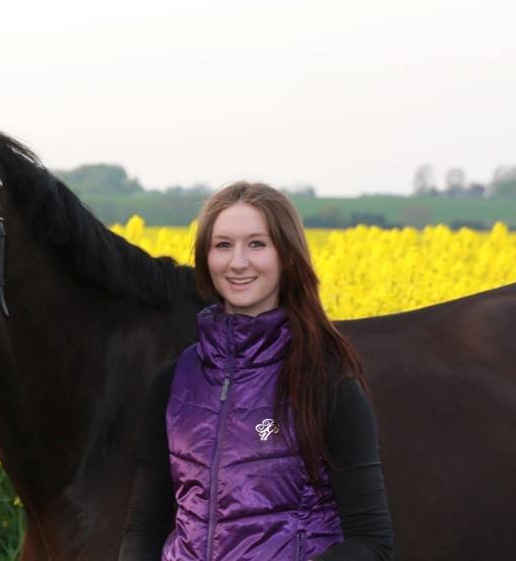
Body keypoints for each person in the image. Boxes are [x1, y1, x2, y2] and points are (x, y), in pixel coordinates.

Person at [119, 182, 393, 561]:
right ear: (206, 259)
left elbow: (372, 542)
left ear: (289, 257)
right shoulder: (174, 382)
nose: (238, 262)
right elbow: (145, 526)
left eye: (257, 244)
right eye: (223, 245)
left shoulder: (326, 384)